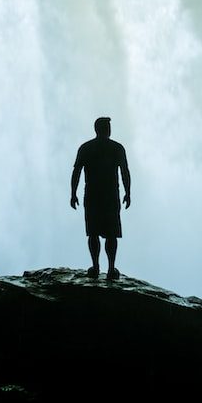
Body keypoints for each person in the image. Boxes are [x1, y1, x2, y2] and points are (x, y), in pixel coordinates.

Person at [71, 116, 131, 281]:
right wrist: (128, 192)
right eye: (107, 127)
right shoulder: (117, 148)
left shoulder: (86, 148)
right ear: (103, 129)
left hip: (93, 195)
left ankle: (97, 267)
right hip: (110, 196)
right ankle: (110, 268)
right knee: (108, 233)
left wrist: (73, 193)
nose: (109, 130)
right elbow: (125, 172)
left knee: (94, 232)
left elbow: (76, 172)